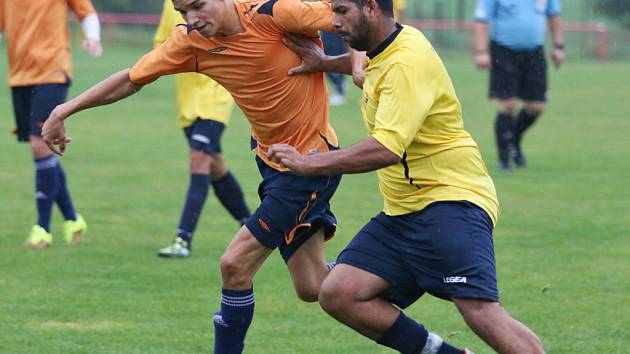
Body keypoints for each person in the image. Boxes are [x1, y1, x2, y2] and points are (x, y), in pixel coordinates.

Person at [41, 0, 340, 352]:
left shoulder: (276, 13)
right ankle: (396, 294)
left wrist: (345, 64)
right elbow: (132, 77)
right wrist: (65, 109)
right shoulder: (192, 42)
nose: (192, 19)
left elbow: (361, 22)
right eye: (183, 12)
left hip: (311, 165)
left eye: (198, 6)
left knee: (234, 265)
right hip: (272, 165)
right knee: (314, 287)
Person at [269, 0, 545, 352]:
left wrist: (309, 163)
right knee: (341, 292)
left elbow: (386, 148)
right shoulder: (388, 48)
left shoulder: (405, 62)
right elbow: (370, 72)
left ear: (370, 7)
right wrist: (326, 63)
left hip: (450, 199)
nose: (332, 22)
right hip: (405, 211)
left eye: (341, 11)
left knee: (479, 311)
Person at [0, 0, 102, 248]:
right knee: (42, 150)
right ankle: (72, 218)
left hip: (52, 69)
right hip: (19, 75)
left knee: (39, 145)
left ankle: (42, 229)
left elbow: (85, 11)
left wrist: (92, 35)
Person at [153, 0, 250, 258]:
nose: (189, 16)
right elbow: (161, 45)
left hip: (214, 98)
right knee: (214, 165)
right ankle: (252, 226)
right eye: (184, 13)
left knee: (199, 159)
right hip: (187, 102)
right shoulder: (169, 5)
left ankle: (182, 239)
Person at [473, 0, 564, 170]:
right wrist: (481, 51)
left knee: (536, 106)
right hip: (504, 51)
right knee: (508, 104)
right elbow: (482, 19)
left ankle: (513, 138)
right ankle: (504, 159)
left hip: (534, 53)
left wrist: (559, 46)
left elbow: (554, 15)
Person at [320, 31, 348, 106]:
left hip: (334, 40)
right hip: (326, 39)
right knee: (323, 66)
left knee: (337, 65)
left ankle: (339, 92)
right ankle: (340, 84)